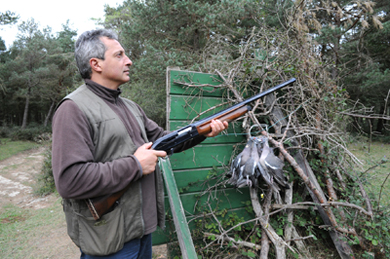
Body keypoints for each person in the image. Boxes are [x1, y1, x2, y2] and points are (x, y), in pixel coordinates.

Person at [51, 29, 228, 259]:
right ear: (96, 64)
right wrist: (134, 165)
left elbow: (166, 140)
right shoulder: (72, 109)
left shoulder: (130, 106)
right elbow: (69, 180)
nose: (129, 61)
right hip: (110, 238)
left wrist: (202, 132)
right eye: (119, 55)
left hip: (142, 230)